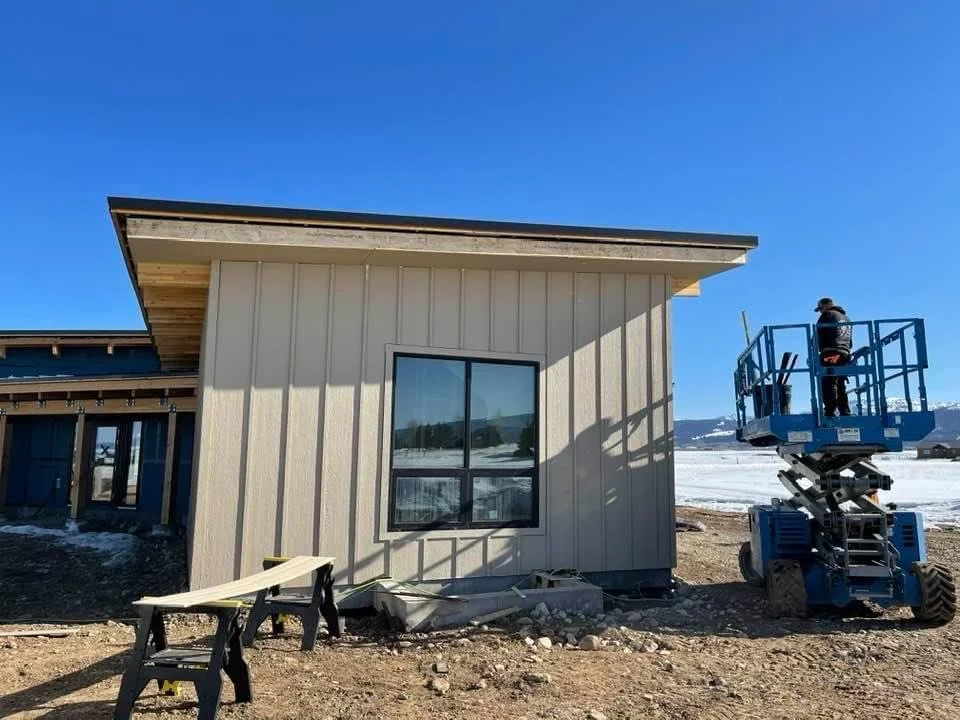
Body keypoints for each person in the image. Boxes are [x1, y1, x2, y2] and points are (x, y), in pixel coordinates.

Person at [815, 297, 853, 416]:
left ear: (827, 305)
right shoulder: (846, 319)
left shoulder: (827, 315)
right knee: (840, 382)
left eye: (820, 309)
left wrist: (815, 348)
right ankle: (845, 410)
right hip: (844, 354)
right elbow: (850, 342)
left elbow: (818, 336)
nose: (820, 312)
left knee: (828, 381)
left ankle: (830, 411)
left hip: (830, 352)